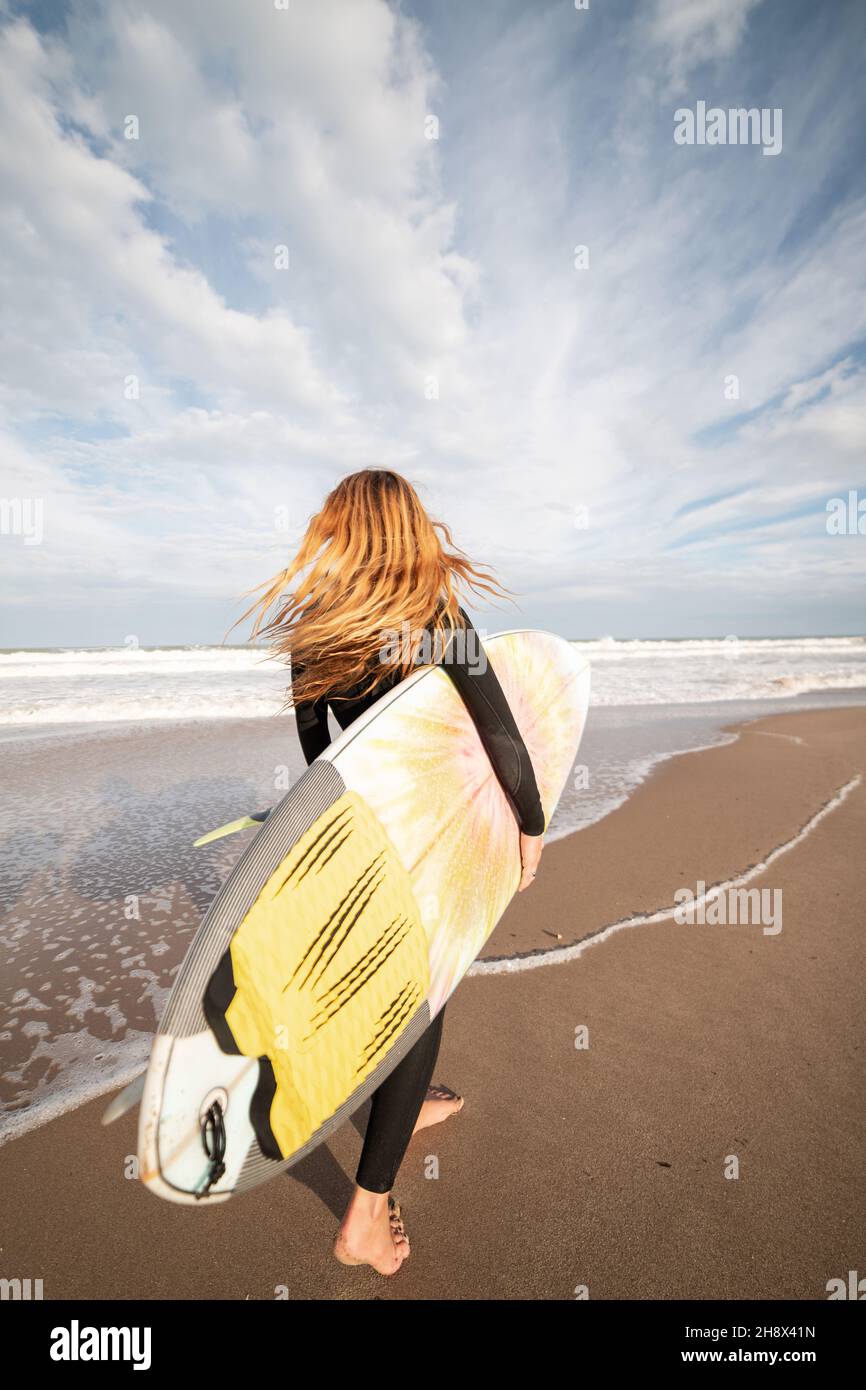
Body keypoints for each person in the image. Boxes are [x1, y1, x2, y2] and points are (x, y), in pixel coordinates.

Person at [242, 468, 544, 1274]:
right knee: (423, 994)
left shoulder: (316, 625)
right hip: (433, 831)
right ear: (410, 528)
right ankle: (367, 1215)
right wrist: (531, 827)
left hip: (359, 830)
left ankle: (399, 1109)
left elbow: (320, 753)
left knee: (389, 985)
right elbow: (502, 734)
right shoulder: (435, 614)